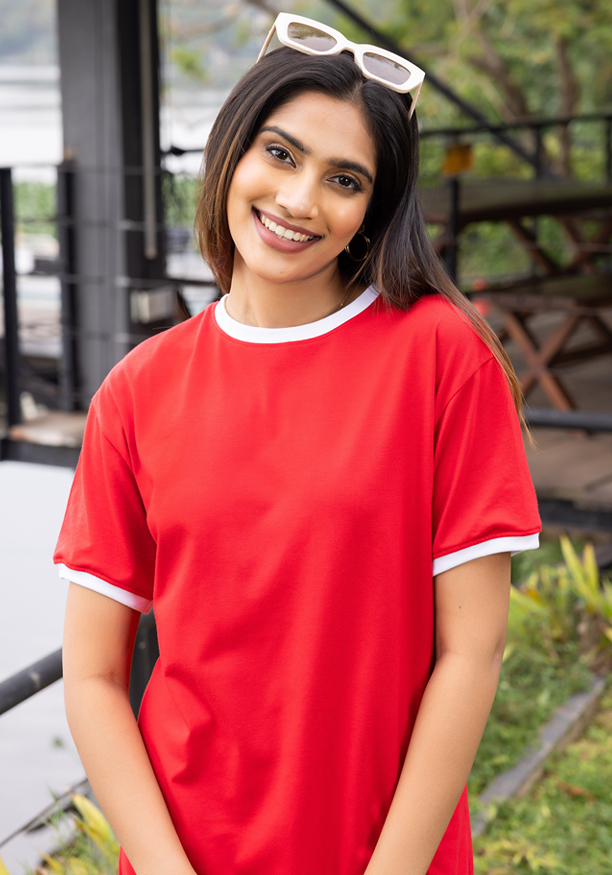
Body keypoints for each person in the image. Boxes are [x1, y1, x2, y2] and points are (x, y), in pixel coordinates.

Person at [55, 13, 541, 875]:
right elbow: (93, 674)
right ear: (231, 151)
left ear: (371, 211)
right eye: (280, 154)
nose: (299, 199)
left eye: (344, 179)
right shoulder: (137, 390)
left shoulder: (439, 355)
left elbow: (473, 651)